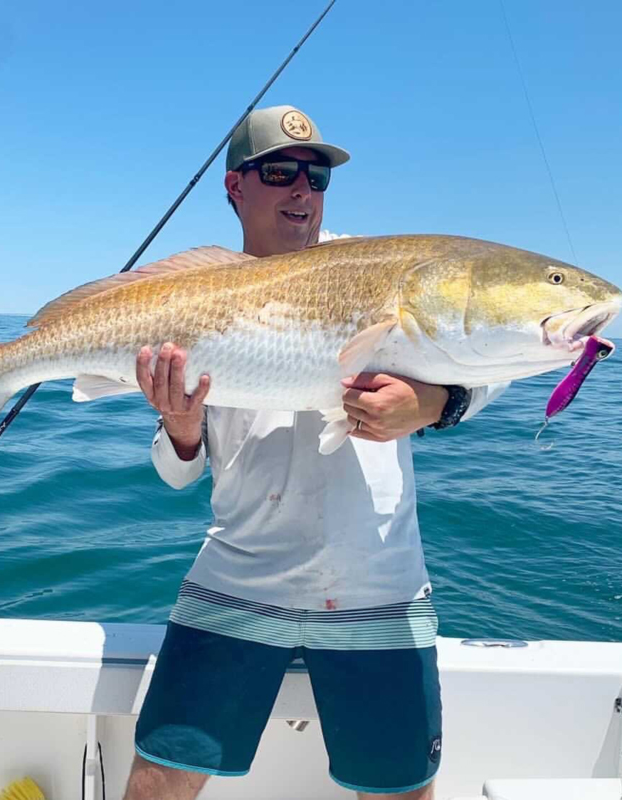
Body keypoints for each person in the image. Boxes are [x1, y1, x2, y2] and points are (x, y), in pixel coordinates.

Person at [124, 105, 507, 800]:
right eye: (280, 172)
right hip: (240, 573)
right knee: (157, 778)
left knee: (401, 790)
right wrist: (182, 429)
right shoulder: (192, 297)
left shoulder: (376, 272)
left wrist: (435, 404)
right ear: (236, 187)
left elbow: (494, 358)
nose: (302, 190)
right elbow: (176, 471)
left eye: (316, 177)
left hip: (378, 583)